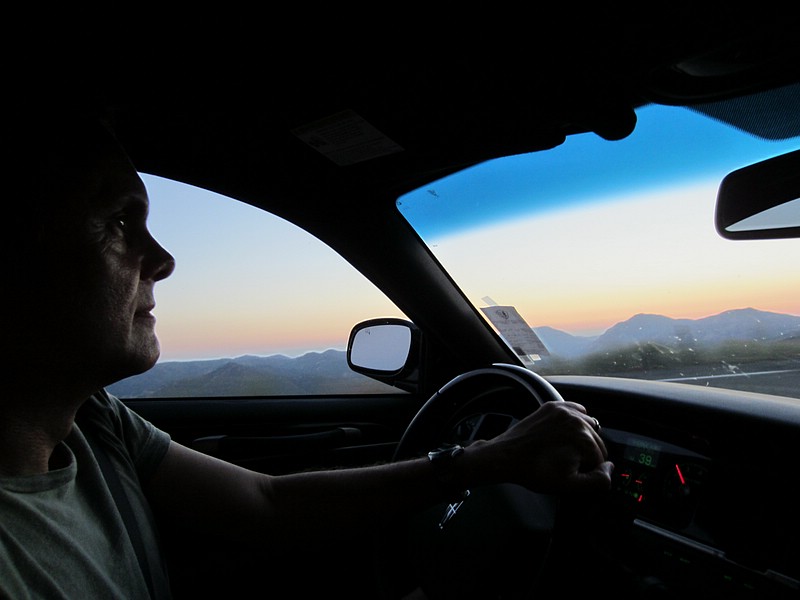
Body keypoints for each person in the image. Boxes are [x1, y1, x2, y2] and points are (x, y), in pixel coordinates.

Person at [0, 108, 613, 599]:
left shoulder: (94, 422)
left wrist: (485, 461)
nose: (163, 259)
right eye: (118, 222)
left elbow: (269, 505)